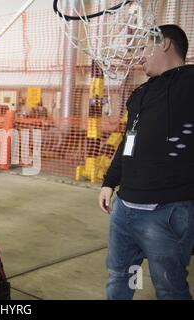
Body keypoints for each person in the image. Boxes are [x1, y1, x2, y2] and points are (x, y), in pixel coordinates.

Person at [99, 24, 194, 300]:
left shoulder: (190, 84)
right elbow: (128, 142)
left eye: (143, 47)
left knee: (169, 288)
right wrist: (109, 182)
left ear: (165, 44)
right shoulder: (140, 94)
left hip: (167, 210)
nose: (139, 55)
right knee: (121, 276)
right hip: (124, 208)